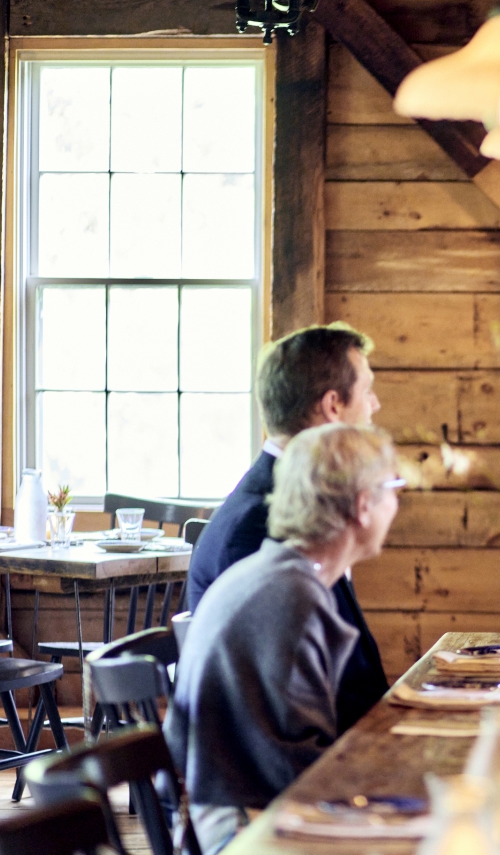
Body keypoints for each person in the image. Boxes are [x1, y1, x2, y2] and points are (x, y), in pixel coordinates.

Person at [166, 424, 402, 855]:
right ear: (363, 506)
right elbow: (297, 773)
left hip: (228, 810)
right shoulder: (293, 598)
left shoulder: (277, 574)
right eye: (393, 488)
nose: (397, 503)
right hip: (247, 831)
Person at [187, 322, 389, 732]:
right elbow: (268, 712)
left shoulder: (299, 498)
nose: (375, 405)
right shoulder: (257, 524)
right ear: (333, 406)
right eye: (367, 390)